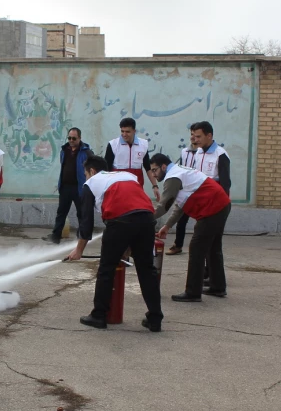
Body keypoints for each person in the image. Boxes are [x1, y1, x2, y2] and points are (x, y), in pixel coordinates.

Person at [65, 156, 163, 332]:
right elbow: (134, 206)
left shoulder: (92, 183)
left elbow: (85, 222)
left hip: (120, 222)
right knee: (146, 269)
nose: (86, 178)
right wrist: (128, 245)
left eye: (86, 174)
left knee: (106, 269)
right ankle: (155, 318)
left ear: (92, 172)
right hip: (147, 219)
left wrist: (79, 250)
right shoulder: (127, 176)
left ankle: (98, 315)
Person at [150, 153, 231, 302]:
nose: (154, 175)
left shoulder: (172, 178)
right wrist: (168, 226)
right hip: (221, 204)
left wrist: (144, 219)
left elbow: (164, 205)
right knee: (213, 248)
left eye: (155, 170)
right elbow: (180, 205)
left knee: (197, 249)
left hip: (212, 209)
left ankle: (193, 292)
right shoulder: (179, 172)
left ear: (163, 166)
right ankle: (217, 287)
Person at [42, 127, 93, 244]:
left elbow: (92, 169)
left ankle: (82, 237)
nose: (71, 140)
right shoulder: (64, 150)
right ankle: (56, 236)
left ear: (79, 138)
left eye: (74, 138)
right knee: (61, 213)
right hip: (65, 187)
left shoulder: (86, 152)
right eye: (69, 138)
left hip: (79, 188)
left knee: (82, 213)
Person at [104, 117, 161, 201]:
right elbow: (106, 168)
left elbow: (148, 168)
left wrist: (155, 186)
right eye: (122, 131)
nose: (124, 134)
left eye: (127, 131)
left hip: (136, 187)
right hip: (117, 187)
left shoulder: (143, 144)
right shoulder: (112, 145)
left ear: (134, 131)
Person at [167, 126, 199, 255]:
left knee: (200, 222)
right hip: (186, 189)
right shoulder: (185, 151)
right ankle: (178, 245)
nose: (193, 137)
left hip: (198, 189)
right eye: (191, 134)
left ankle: (198, 247)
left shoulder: (204, 153)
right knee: (181, 219)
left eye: (196, 135)